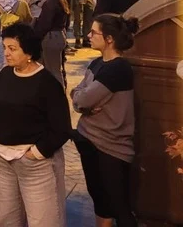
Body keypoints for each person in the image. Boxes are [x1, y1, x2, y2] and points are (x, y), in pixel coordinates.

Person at [0, 22, 71, 226]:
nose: (6, 53)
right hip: (3, 158)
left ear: (28, 52)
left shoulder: (47, 83)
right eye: (5, 47)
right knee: (8, 219)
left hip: (34, 164)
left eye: (12, 48)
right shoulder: (6, 74)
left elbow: (61, 128)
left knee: (43, 220)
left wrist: (36, 153)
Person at [71, 14, 139, 227]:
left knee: (120, 206)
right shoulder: (97, 63)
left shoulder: (118, 69)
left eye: (94, 32)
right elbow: (78, 96)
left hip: (112, 147)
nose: (88, 35)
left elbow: (83, 98)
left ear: (109, 39)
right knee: (100, 201)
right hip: (89, 139)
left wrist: (82, 100)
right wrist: (81, 100)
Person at [32, 0, 69, 86]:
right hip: (59, 35)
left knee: (53, 70)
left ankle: (58, 94)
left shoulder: (50, 3)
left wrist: (35, 36)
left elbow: (44, 25)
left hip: (51, 37)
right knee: (52, 68)